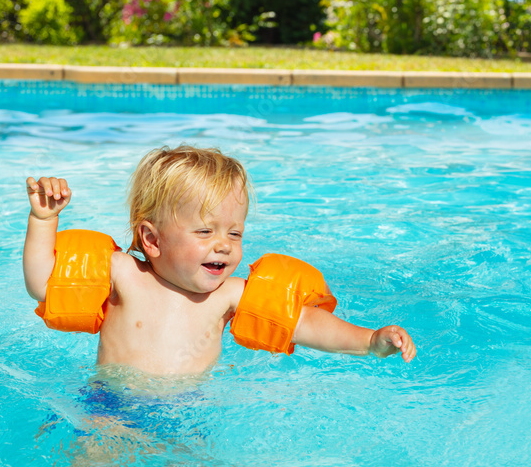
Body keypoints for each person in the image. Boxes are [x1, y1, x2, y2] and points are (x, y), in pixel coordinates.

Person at [22, 145, 416, 376]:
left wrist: (369, 340)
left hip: (188, 418)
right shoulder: (124, 274)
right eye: (205, 232)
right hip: (110, 410)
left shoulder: (228, 295)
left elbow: (303, 323)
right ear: (152, 239)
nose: (224, 245)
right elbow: (43, 284)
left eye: (235, 233)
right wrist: (44, 220)